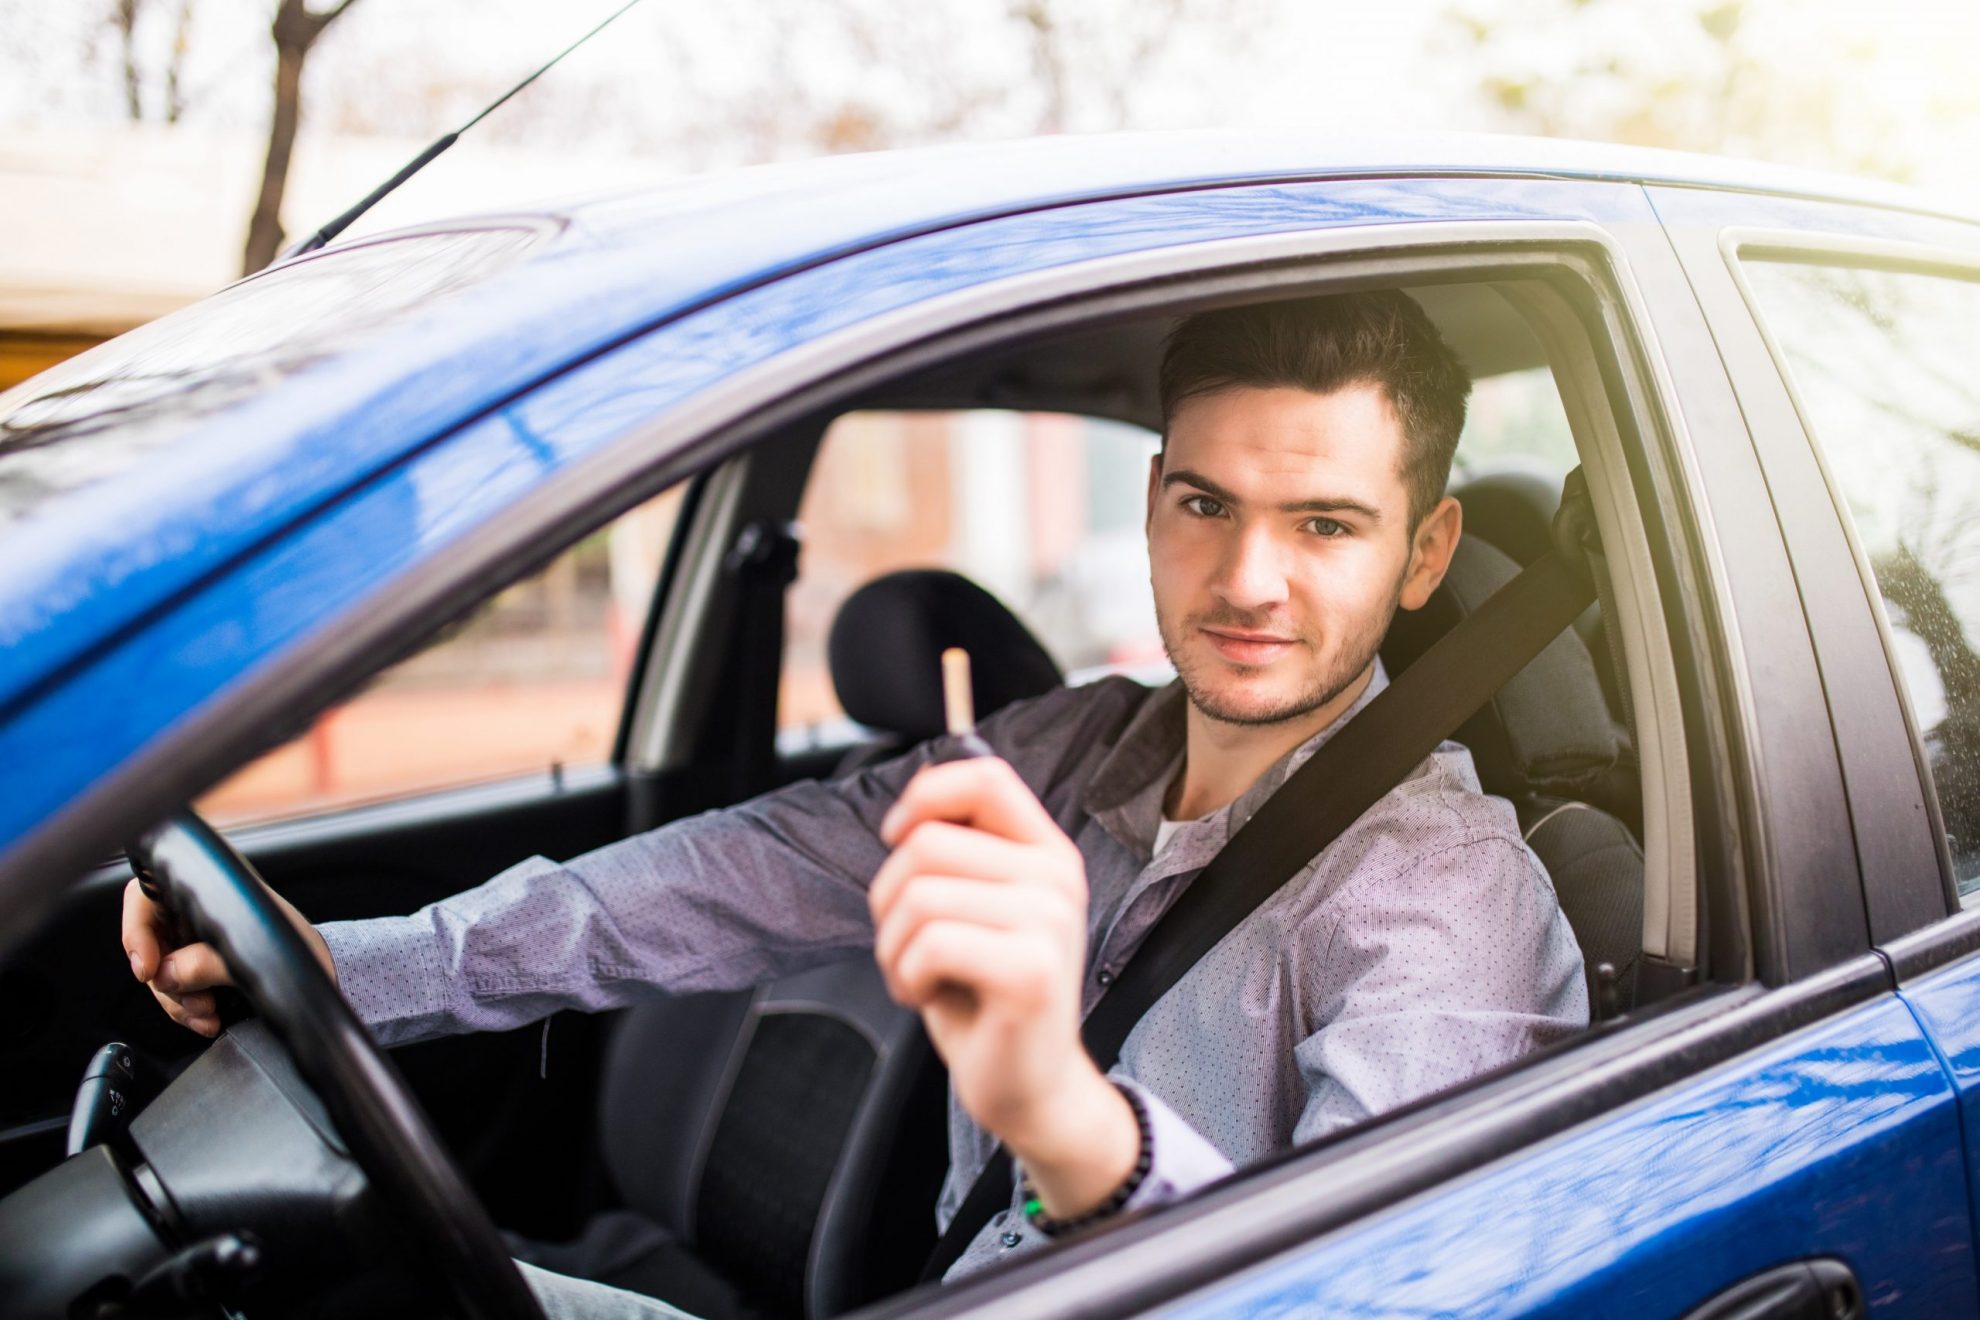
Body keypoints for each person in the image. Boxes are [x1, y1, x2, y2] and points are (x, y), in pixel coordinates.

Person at [122, 290, 1588, 1314]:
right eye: (1207, 505)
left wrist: (1068, 1117)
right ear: (1154, 501)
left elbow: (1384, 1294)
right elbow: (736, 873)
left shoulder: (1447, 899)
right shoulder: (1075, 746)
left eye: (1326, 524)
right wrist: (353, 969)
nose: (1249, 579)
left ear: (1424, 552)